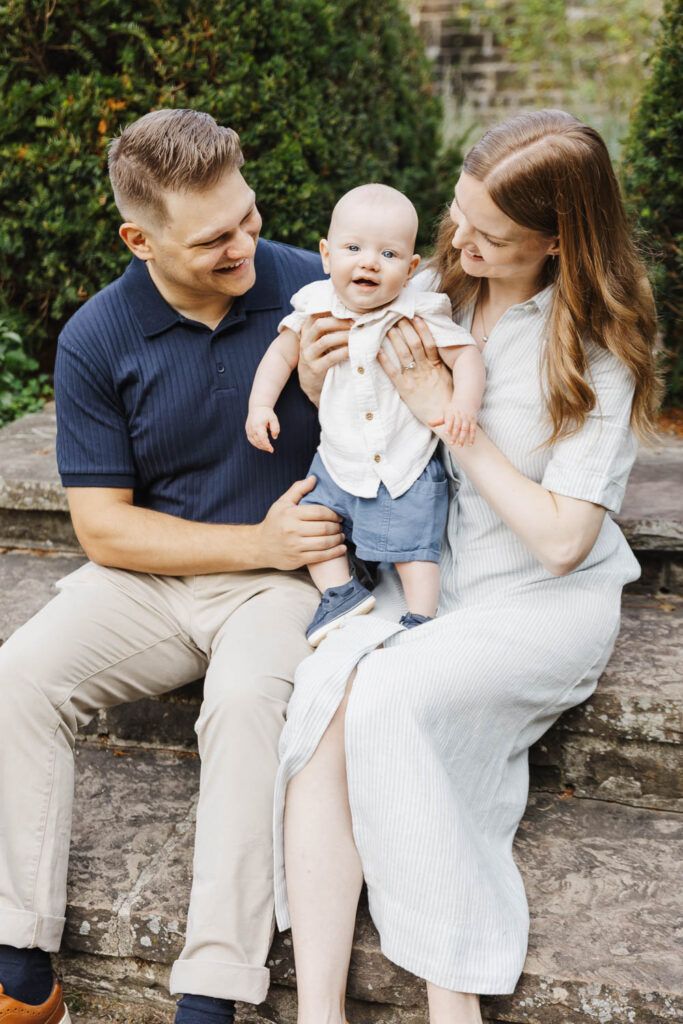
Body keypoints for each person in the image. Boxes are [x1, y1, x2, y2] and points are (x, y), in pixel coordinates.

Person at [273, 109, 660, 1024]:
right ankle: (316, 1011)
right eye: (456, 213)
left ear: (557, 239)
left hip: (540, 598)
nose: (457, 240)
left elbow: (564, 539)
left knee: (392, 699)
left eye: (487, 232)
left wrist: (449, 410)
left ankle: (452, 1005)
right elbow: (367, 419)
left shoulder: (598, 346)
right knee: (324, 699)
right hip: (427, 573)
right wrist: (323, 380)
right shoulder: (436, 287)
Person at [0, 109, 348, 1024]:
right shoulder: (97, 337)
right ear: (138, 239)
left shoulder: (318, 288)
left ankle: (213, 992)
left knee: (244, 708)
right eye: (213, 239)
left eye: (248, 217)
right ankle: (20, 970)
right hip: (157, 576)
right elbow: (104, 531)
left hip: (286, 585)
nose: (244, 245)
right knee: (19, 677)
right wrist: (254, 542)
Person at [246, 184, 485, 646]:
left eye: (389, 253)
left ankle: (420, 617)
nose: (369, 262)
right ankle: (341, 592)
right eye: (353, 248)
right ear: (326, 254)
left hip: (402, 458)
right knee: (313, 518)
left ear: (411, 268)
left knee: (416, 547)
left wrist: (463, 404)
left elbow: (467, 356)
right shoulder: (314, 303)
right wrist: (260, 406)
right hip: (336, 457)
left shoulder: (418, 307)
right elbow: (280, 354)